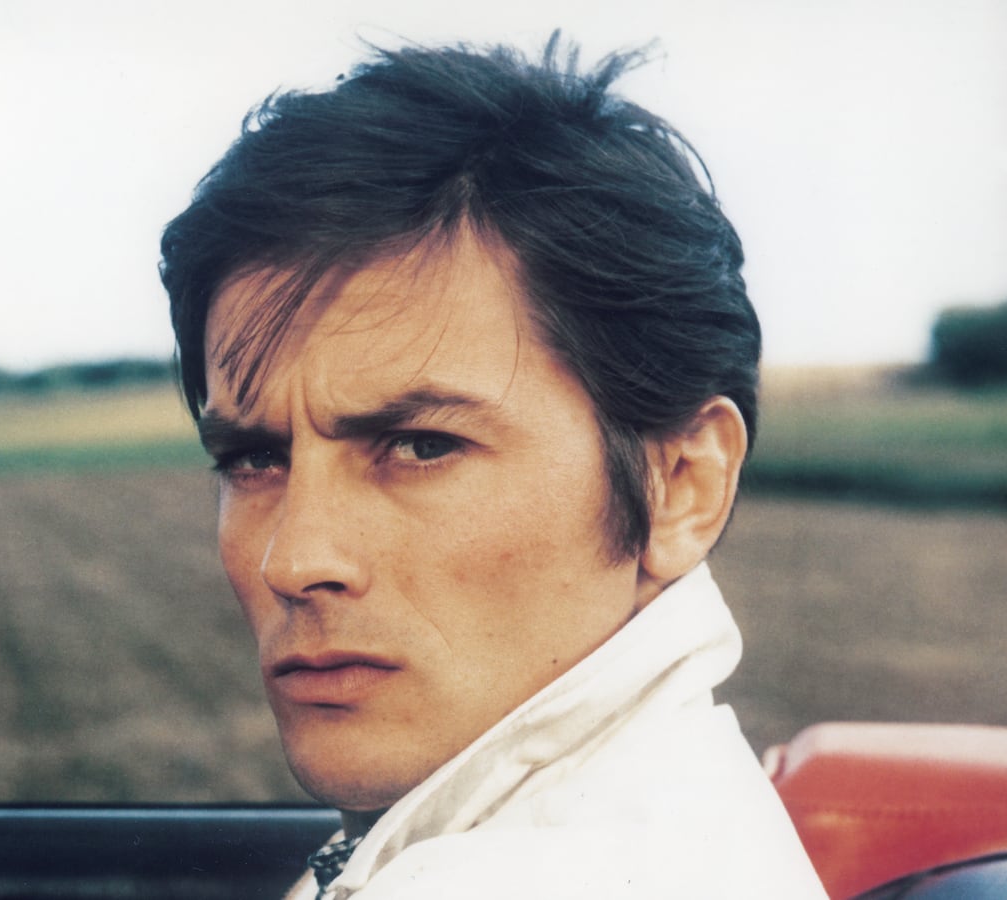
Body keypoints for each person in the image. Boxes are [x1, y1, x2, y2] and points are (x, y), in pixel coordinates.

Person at [158, 35, 825, 899]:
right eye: (254, 458)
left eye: (421, 446)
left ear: (682, 487)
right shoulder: (669, 809)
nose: (294, 560)